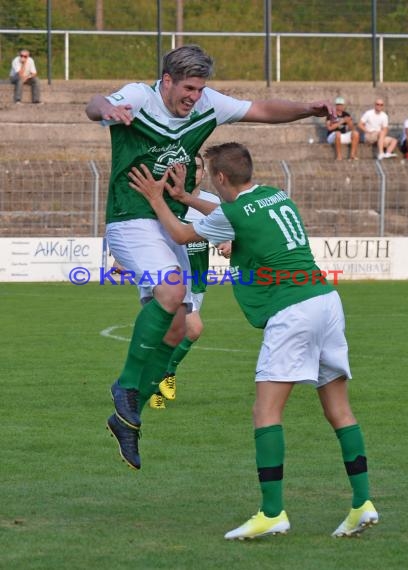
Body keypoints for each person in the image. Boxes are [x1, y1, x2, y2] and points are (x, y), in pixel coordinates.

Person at [85, 44, 333, 472]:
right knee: (171, 290)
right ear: (166, 81)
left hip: (170, 222)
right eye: (187, 88)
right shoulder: (140, 98)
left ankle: (127, 417)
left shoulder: (208, 103)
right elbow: (93, 105)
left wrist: (306, 110)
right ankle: (126, 388)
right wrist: (109, 109)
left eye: (199, 89)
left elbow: (262, 110)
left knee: (182, 325)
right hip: (131, 217)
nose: (194, 97)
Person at [128, 142, 379, 540]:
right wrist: (184, 196)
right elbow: (229, 218)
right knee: (339, 410)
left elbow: (179, 231)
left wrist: (159, 199)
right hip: (326, 302)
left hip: (292, 311)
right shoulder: (274, 195)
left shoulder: (232, 211)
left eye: (212, 176)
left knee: (265, 413)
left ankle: (272, 512)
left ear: (222, 178)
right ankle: (362, 502)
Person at [150, 152, 225, 410]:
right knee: (192, 329)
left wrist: (226, 243)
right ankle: (167, 373)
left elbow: (222, 232)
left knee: (176, 334)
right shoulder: (164, 201)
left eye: (199, 168)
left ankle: (155, 384)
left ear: (204, 173)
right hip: (171, 277)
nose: (195, 173)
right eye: (189, 168)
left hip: (198, 278)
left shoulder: (210, 202)